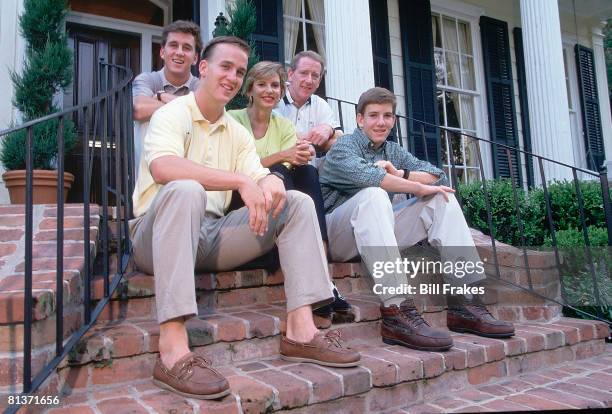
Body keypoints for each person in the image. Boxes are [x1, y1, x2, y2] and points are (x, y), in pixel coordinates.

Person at [130, 36, 360, 400]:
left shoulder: (236, 133)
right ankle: (173, 348)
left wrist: (270, 184)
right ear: (202, 68)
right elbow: (163, 167)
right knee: (187, 189)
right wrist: (239, 180)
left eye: (239, 71)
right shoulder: (172, 113)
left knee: (297, 202)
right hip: (155, 236)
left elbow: (258, 173)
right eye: (226, 67)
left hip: (210, 236)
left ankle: (301, 329)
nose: (233, 77)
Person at [319, 87, 514, 352]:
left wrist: (403, 173)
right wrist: (416, 187)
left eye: (387, 116)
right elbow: (372, 179)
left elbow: (437, 176)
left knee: (441, 199)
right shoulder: (343, 146)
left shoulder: (392, 150)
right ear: (359, 119)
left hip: (376, 232)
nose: (381, 122)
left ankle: (466, 304)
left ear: (393, 120)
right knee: (373, 195)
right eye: (373, 115)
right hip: (338, 235)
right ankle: (396, 310)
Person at [132, 20, 202, 177]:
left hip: (190, 163)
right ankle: (148, 184)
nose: (179, 52)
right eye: (173, 45)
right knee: (146, 119)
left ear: (195, 58)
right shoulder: (148, 79)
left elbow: (205, 116)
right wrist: (187, 107)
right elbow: (138, 109)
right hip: (151, 163)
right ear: (162, 52)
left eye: (187, 48)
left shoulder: (200, 86)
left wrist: (160, 97)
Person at [275, 50, 342, 159]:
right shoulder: (274, 98)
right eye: (304, 73)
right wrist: (314, 141)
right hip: (276, 165)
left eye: (315, 76)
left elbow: (341, 138)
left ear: (319, 81)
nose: (309, 80)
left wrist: (329, 129)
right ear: (290, 74)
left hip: (309, 167)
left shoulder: (321, 105)